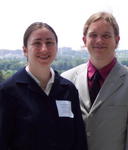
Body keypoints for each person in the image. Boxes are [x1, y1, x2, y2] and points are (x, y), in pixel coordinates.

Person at [61, 11, 128, 150]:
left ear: (117, 40)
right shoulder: (66, 80)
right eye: (93, 35)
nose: (99, 41)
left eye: (106, 36)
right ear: (84, 40)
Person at [0, 22, 87, 150]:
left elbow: (79, 141)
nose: (44, 49)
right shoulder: (8, 91)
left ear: (56, 48)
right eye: (37, 43)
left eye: (49, 42)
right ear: (25, 50)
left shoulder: (68, 90)